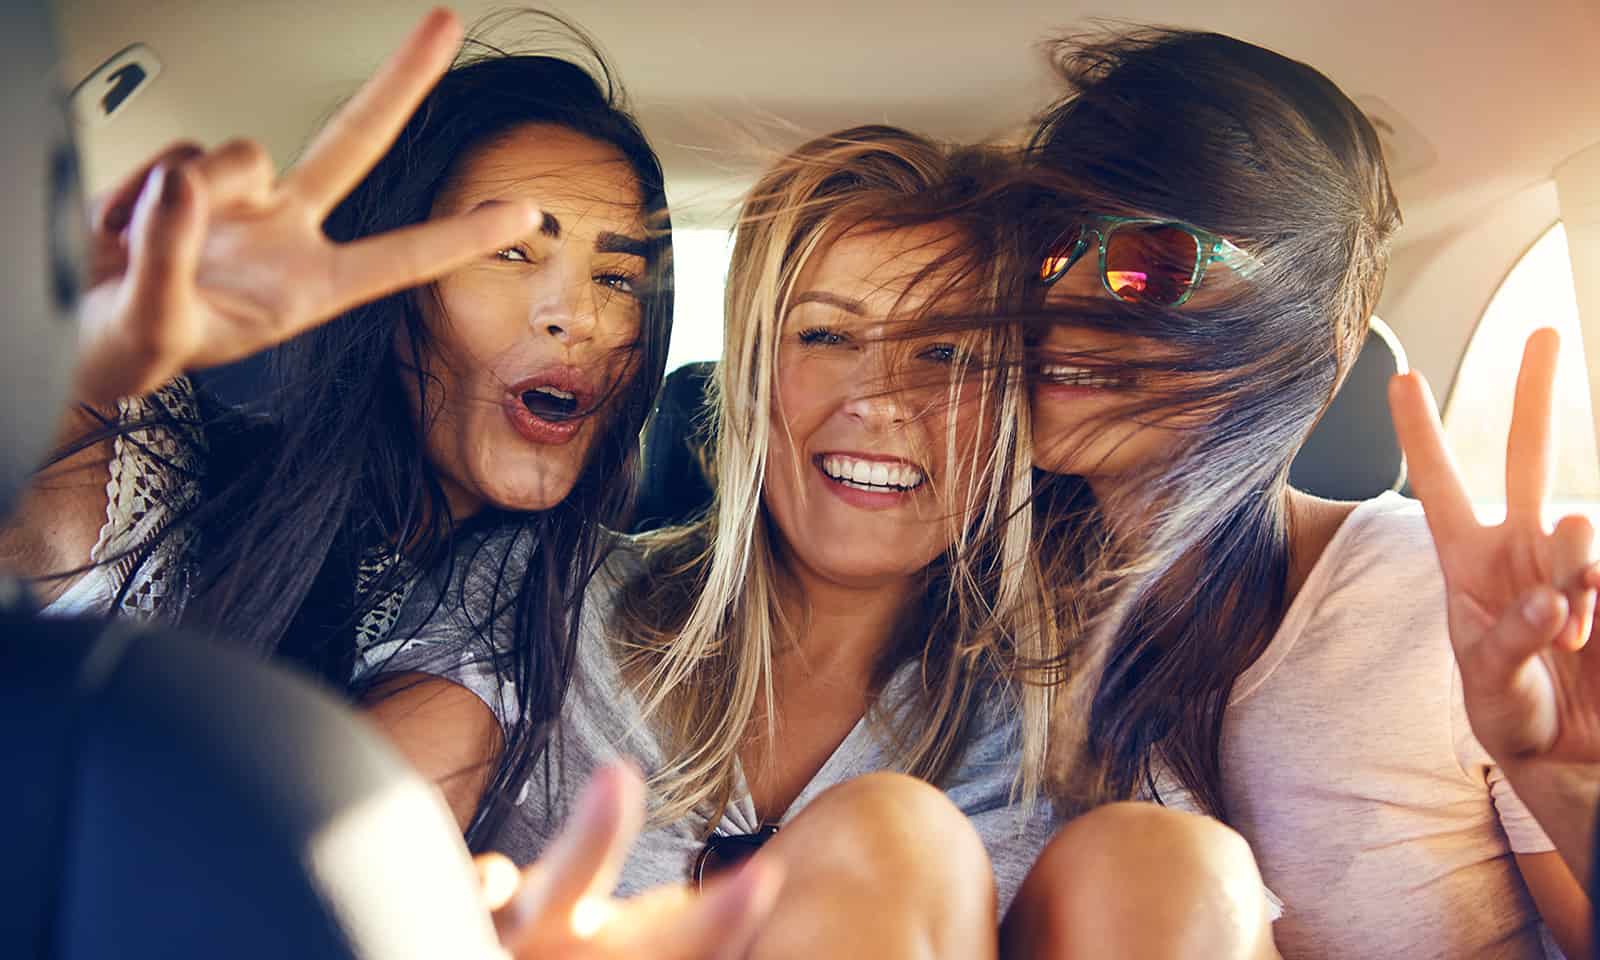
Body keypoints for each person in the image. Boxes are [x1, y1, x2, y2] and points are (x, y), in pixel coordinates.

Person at [365, 124, 1070, 958]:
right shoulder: (545, 593)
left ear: (1016, 405)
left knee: (897, 831)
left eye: (946, 351)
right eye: (825, 335)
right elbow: (351, 854)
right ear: (749, 374)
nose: (881, 399)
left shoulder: (1068, 717)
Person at [0, 8, 672, 844]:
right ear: (385, 285)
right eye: (509, 252)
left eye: (618, 275)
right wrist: (68, 349)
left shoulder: (570, 601)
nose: (582, 318)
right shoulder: (151, 477)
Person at [1014, 27, 1591, 958]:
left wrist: (1572, 793)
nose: (1069, 293)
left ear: (1310, 336)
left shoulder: (1445, 608)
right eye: (1051, 247)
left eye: (1153, 262)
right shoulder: (979, 629)